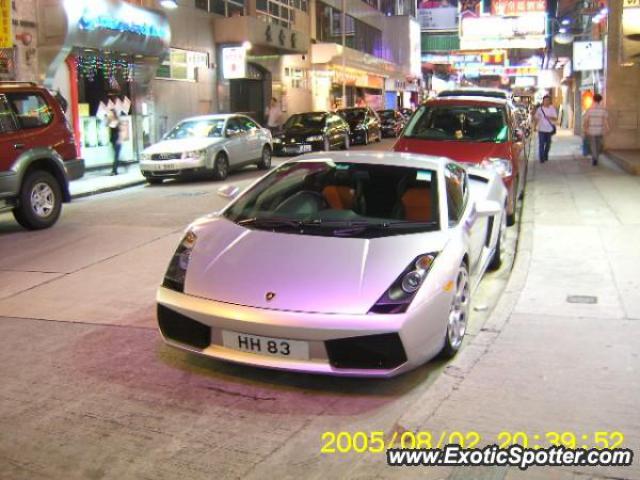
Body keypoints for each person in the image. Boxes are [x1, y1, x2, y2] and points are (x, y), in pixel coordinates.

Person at [582, 93, 610, 166]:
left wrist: (585, 129)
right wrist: (607, 128)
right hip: (600, 129)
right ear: (600, 100)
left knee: (593, 144)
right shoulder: (603, 109)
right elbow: (605, 120)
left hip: (591, 129)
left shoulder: (589, 109)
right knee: (598, 144)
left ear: (593, 100)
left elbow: (586, 121)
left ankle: (594, 158)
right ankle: (596, 157)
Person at [533, 95, 558, 163]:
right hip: (541, 129)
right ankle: (541, 158)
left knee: (548, 144)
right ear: (543, 101)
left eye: (548, 100)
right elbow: (536, 118)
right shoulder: (539, 109)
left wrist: (549, 117)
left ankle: (545, 155)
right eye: (545, 100)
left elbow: (556, 118)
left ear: (549, 101)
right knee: (541, 144)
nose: (546, 102)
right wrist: (535, 127)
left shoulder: (552, 108)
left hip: (549, 130)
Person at [107, 110, 121, 175]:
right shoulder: (110, 121)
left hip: (117, 141)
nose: (110, 114)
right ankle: (116, 169)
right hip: (113, 140)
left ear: (114, 114)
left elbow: (119, 131)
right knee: (116, 156)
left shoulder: (117, 121)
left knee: (116, 156)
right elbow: (106, 125)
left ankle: (114, 170)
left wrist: (119, 139)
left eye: (111, 113)